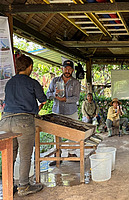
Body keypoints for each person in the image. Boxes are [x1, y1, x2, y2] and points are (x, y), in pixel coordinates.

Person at [0, 55, 46, 196]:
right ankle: (24, 186)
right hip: (24, 122)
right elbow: (43, 100)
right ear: (30, 67)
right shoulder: (32, 82)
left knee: (9, 155)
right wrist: (34, 110)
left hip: (6, 120)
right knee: (25, 156)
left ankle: (9, 186)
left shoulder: (9, 83)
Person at [46, 60, 81, 162]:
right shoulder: (55, 81)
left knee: (73, 132)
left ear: (72, 70)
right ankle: (58, 155)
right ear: (62, 69)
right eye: (65, 68)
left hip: (71, 111)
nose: (67, 71)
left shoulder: (75, 82)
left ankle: (71, 153)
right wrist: (54, 94)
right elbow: (48, 95)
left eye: (69, 69)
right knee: (56, 133)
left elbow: (76, 98)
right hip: (57, 110)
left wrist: (65, 99)